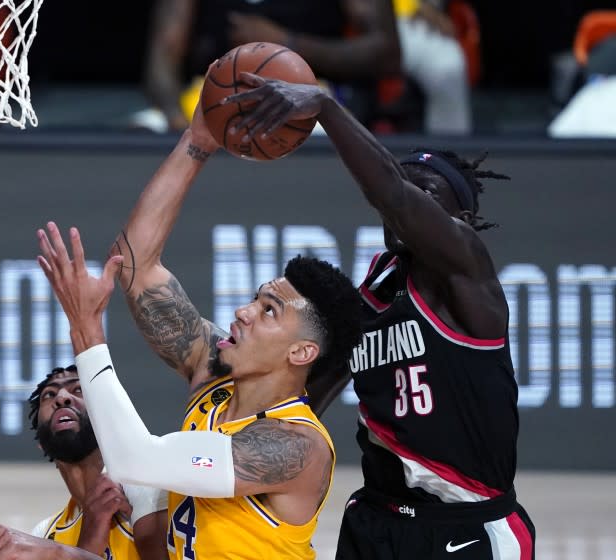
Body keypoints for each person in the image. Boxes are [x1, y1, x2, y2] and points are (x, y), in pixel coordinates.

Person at [208, 74, 536, 558]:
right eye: (404, 187)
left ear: (459, 221)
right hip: (376, 518)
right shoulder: (378, 285)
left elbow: (393, 197)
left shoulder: (467, 271)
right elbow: (313, 385)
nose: (403, 203)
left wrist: (325, 107)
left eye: (425, 194)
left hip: (466, 524)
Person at [36, 219, 363, 559]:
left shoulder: (295, 445)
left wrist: (86, 327)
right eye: (255, 298)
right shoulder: (215, 385)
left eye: (268, 310)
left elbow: (133, 459)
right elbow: (135, 261)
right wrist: (195, 160)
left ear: (301, 352)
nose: (244, 311)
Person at [0, 365, 168, 560]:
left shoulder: (143, 483)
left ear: (107, 419)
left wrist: (62, 553)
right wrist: (87, 541)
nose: (62, 397)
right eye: (48, 395)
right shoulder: (45, 533)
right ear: (41, 444)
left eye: (79, 389)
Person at [141, 0, 400, 131]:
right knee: (143, 130)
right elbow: (163, 57)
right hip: (212, 98)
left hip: (312, 99)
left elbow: (387, 52)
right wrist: (176, 120)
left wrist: (287, 43)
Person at [394, 0, 472, 134]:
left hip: (420, 25)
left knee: (449, 68)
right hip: (383, 26)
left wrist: (432, 14)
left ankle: (447, 147)